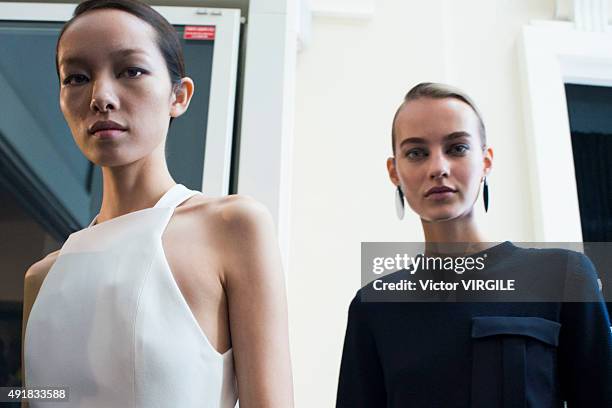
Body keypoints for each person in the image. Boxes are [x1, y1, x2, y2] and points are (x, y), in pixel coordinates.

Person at [21, 1, 293, 407]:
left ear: (178, 96)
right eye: (77, 77)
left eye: (130, 71)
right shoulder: (41, 279)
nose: (101, 97)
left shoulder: (232, 227)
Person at [336, 82, 612, 407]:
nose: (438, 168)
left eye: (457, 148)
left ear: (486, 160)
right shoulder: (373, 306)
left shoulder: (564, 275)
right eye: (416, 153)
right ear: (394, 171)